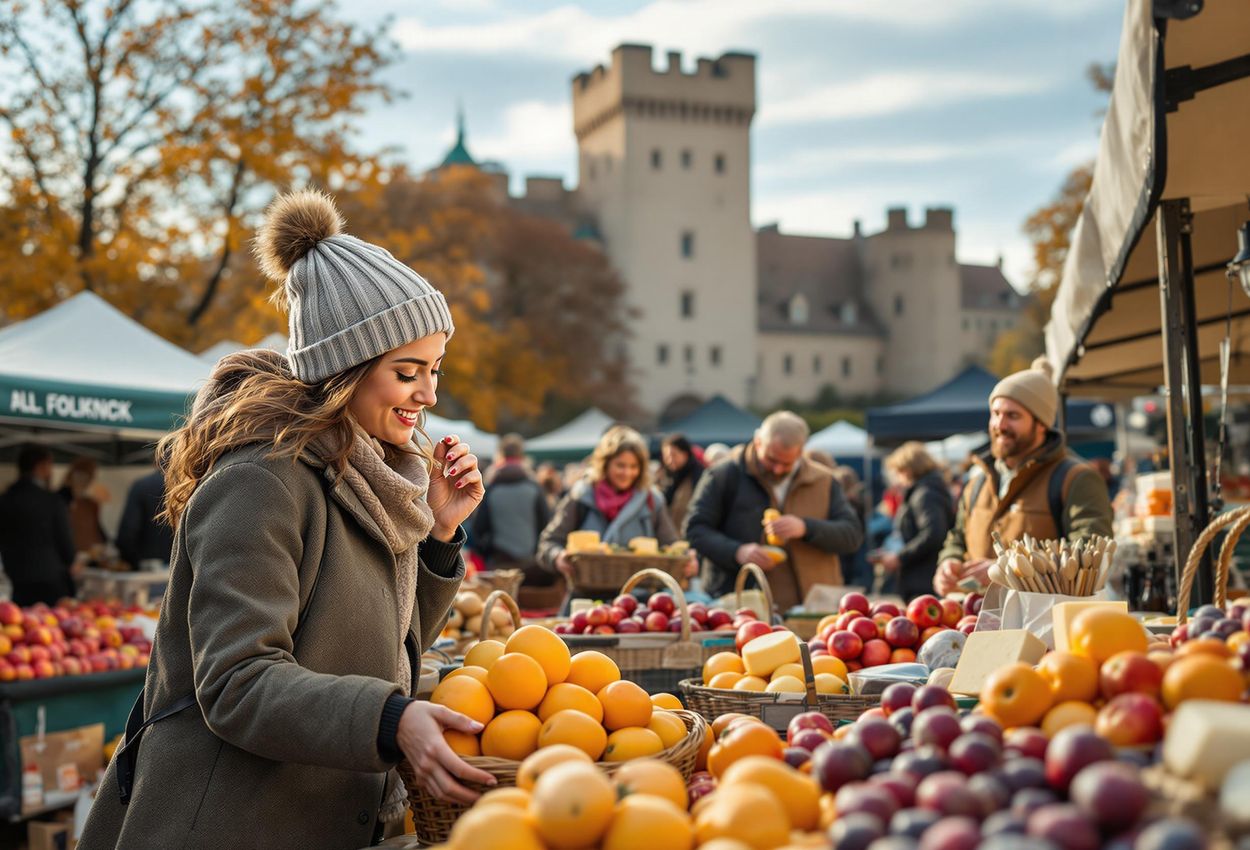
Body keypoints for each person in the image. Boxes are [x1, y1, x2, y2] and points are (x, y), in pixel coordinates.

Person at [79, 190, 491, 850]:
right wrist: (390, 721)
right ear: (343, 370)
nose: (430, 394)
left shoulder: (374, 479)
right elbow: (237, 683)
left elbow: (374, 649)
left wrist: (438, 534)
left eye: (434, 370)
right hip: (226, 828)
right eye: (407, 371)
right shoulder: (260, 480)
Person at [934, 357, 1113, 596]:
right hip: (975, 619)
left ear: (1041, 424)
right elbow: (957, 536)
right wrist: (949, 561)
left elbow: (1089, 557)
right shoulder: (978, 481)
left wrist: (1008, 569)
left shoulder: (1076, 478)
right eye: (995, 413)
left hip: (1041, 625)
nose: (1000, 424)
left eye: (1013, 416)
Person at [684, 411, 864, 612]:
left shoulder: (824, 480)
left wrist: (806, 527)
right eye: (771, 460)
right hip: (742, 607)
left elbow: (852, 535)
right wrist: (736, 551)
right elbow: (695, 528)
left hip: (812, 608)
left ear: (801, 452)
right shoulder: (723, 476)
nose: (777, 469)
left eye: (786, 464)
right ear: (758, 441)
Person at [537, 425, 692, 603]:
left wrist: (686, 557)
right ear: (605, 464)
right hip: (586, 601)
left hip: (637, 604)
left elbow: (670, 545)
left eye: (634, 467)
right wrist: (557, 557)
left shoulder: (652, 500)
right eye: (620, 465)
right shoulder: (581, 496)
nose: (627, 473)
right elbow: (547, 542)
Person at [873, 443, 955, 599]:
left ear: (908, 469)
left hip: (924, 579)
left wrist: (900, 557)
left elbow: (933, 533)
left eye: (899, 471)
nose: (897, 477)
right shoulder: (927, 490)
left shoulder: (925, 494)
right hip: (923, 577)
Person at [0, 445, 77, 605]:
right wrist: (70, 562)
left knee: (20, 624)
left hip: (15, 577)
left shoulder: (5, 499)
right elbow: (65, 543)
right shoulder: (52, 501)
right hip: (49, 578)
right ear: (41, 465)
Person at [470, 433, 551, 585]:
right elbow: (546, 525)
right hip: (531, 566)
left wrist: (488, 551)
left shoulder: (491, 489)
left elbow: (478, 528)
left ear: (500, 455)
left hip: (499, 564)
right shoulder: (534, 488)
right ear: (522, 456)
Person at [115, 470, 175, 570]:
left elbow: (128, 531)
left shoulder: (141, 486)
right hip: (184, 567)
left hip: (148, 566)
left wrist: (132, 562)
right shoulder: (192, 485)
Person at [57, 457, 108, 557]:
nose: (85, 481)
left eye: (89, 477)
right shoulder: (61, 499)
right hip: (68, 555)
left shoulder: (91, 503)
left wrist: (103, 544)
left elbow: (97, 530)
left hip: (86, 555)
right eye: (80, 476)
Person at [658, 433, 705, 530]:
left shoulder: (699, 477)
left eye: (673, 455)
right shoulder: (663, 477)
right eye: (666, 456)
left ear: (685, 454)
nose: (670, 460)